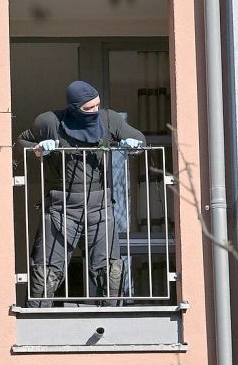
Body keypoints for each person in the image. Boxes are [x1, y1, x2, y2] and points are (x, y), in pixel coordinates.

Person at [17, 80, 145, 307]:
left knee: (109, 267)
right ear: (74, 107)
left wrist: (133, 146)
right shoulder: (50, 121)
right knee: (47, 268)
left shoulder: (109, 119)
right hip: (60, 206)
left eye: (97, 105)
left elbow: (140, 140)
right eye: (88, 108)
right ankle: (36, 318)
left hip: (100, 203)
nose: (94, 111)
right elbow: (21, 142)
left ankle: (114, 315)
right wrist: (37, 150)